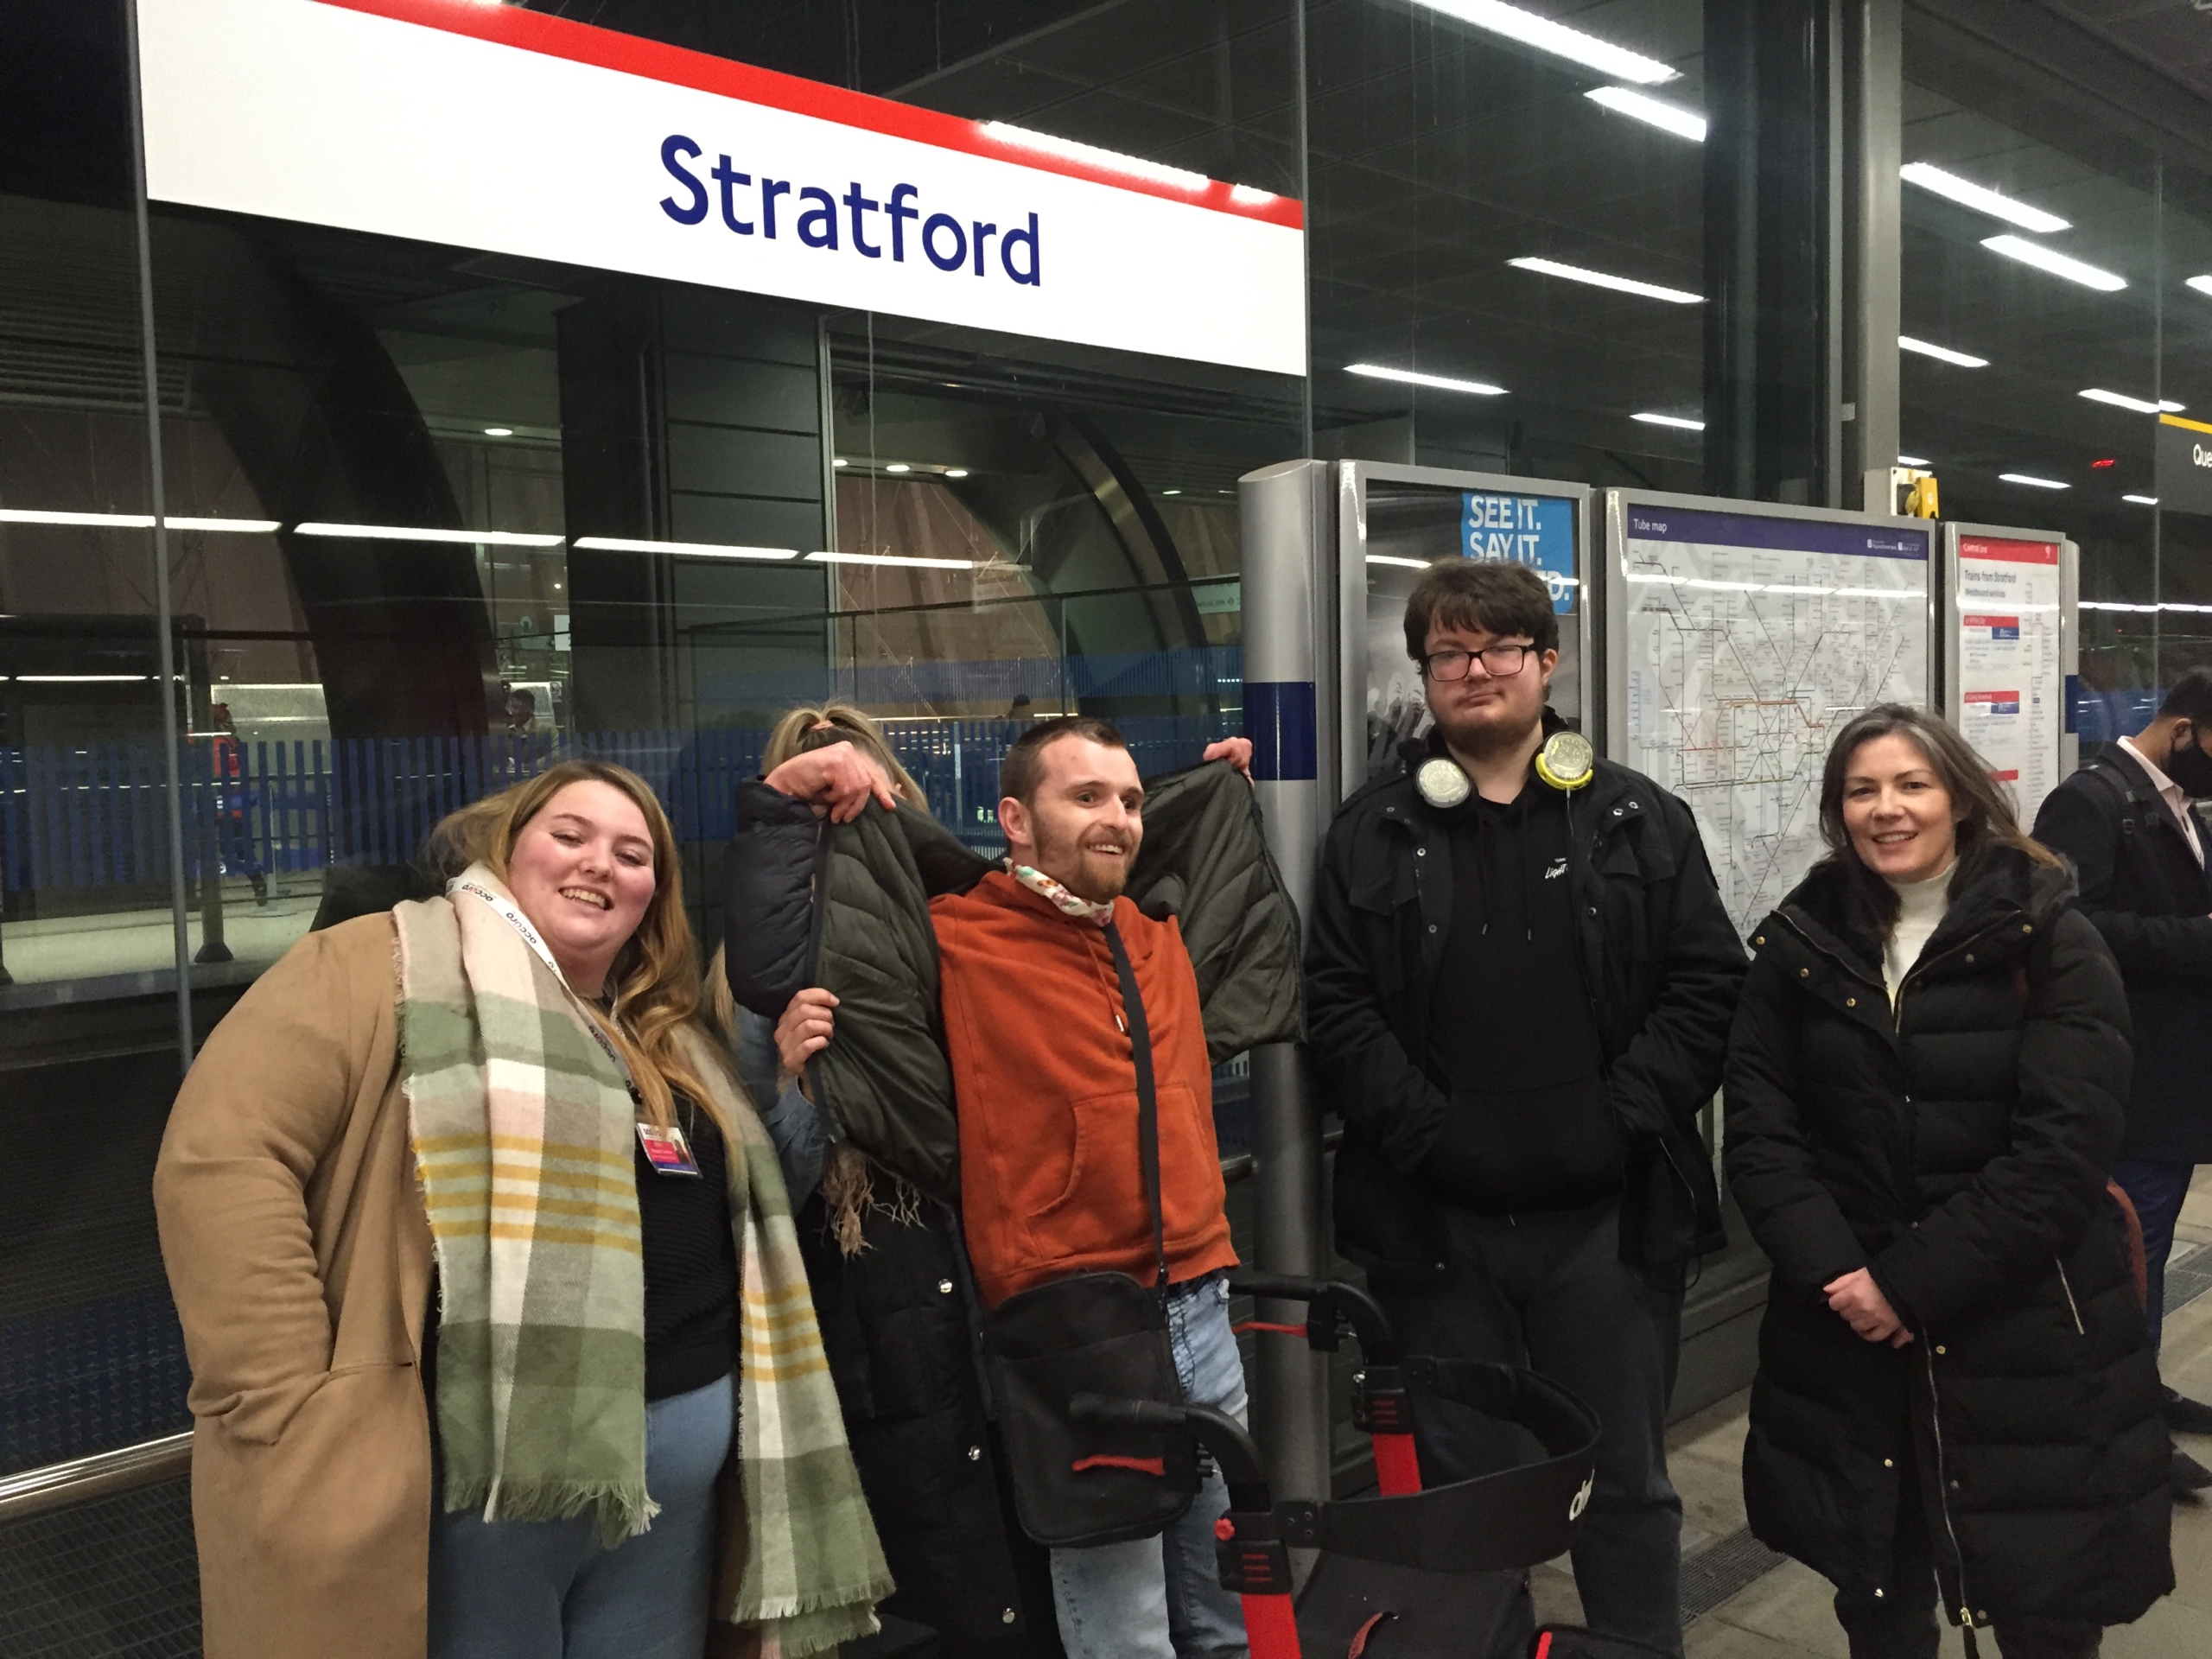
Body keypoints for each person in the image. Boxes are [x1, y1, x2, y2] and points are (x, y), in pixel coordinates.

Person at [154, 759, 889, 1659]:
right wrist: (284, 1393)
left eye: (632, 853)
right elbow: (222, 1155)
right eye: (569, 836)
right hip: (473, 1495)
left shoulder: (666, 1035)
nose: (599, 865)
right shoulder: (380, 967)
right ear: (509, 849)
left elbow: (748, 1208)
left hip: (672, 1506)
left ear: (652, 896)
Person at [745, 714, 1262, 1659]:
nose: (1117, 819)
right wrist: (790, 812)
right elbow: (781, 952)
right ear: (1013, 819)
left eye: (1132, 800)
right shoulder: (957, 942)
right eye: (1086, 797)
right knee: (1124, 1622)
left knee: (1222, 1595)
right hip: (1073, 1323)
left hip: (1201, 1299)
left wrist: (1211, 791)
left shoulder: (1153, 938)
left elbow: (1197, 861)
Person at [1304, 558, 1746, 1658]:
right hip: (1437, 1234)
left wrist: (1617, 1117)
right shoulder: (1371, 833)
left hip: (1609, 1224)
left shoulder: (1641, 818)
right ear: (1426, 676)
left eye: (1500, 648)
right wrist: (1430, 1136)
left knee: (1628, 1485)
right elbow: (1335, 1005)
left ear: (1546, 665)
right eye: (1448, 654)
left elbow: (1706, 986)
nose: (1474, 670)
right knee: (1466, 1496)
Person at [1726, 703, 2171, 1659]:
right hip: (1846, 1332)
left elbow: (2061, 1154)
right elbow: (1761, 1133)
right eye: (1861, 791)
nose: (1886, 809)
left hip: (2024, 1333)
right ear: (1837, 812)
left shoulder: (2048, 936)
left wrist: (1905, 1286)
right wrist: (1843, 1278)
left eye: (1910, 785)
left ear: (1962, 800)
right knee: (1877, 1591)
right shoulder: (1798, 943)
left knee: (2043, 1597)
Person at [711, 702, 1067, 1658]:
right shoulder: (755, 980)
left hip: (994, 1280)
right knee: (939, 1578)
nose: (858, 818)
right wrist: (790, 1086)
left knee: (1029, 1543)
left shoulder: (965, 931)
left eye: (872, 793)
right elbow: (764, 1197)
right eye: (828, 800)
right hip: (876, 1311)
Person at [2033, 668, 2212, 1493]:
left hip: (2172, 1079)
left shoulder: (2175, 804)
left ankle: (2138, 1389)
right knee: (2122, 1257)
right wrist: (2199, 937)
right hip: (2128, 1082)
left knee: (2151, 1245)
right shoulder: (2090, 802)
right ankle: (2118, 1432)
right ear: (2184, 729)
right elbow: (2070, 927)